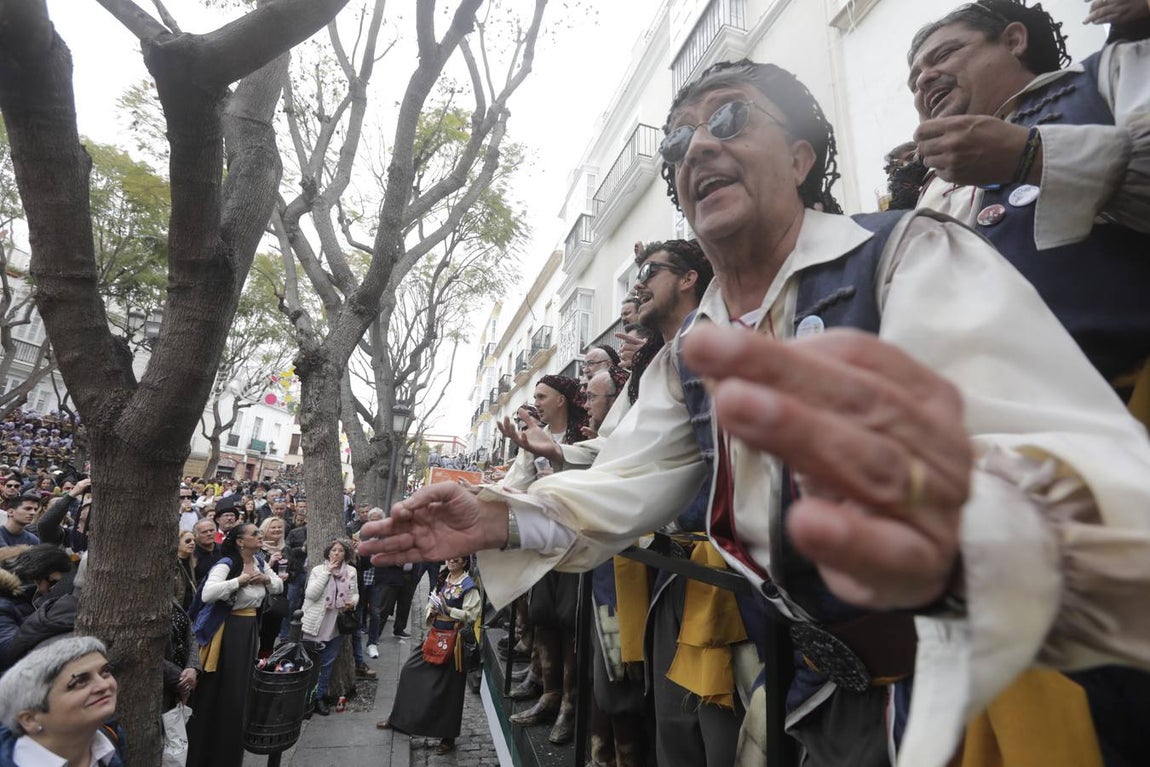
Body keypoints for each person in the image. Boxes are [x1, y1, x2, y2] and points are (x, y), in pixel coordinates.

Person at [361, 59, 1150, 767]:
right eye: (676, 145)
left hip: (991, 697)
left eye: (731, 119)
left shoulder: (908, 256)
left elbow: (1085, 477)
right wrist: (497, 517)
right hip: (815, 694)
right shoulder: (690, 355)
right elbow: (620, 484)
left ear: (802, 159)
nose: (696, 149)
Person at [186, 523, 281, 767]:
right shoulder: (226, 563)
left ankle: (229, 754)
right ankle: (205, 753)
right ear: (240, 541)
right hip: (227, 633)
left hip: (249, 630)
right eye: (254, 534)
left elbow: (279, 585)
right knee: (221, 692)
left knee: (239, 695)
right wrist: (238, 581)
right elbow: (208, 594)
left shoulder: (260, 561)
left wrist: (265, 579)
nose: (260, 537)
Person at [376, 556, 481, 756]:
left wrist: (450, 611)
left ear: (464, 562)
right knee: (409, 671)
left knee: (449, 690)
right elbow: (430, 601)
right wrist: (431, 611)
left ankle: (447, 737)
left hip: (454, 642)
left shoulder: (469, 586)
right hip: (434, 637)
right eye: (449, 558)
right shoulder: (443, 578)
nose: (451, 561)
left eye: (456, 559)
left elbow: (471, 614)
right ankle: (399, 719)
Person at [0, 636, 124, 766]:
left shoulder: (110, 736)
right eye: (79, 682)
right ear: (30, 719)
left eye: (105, 672)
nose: (104, 685)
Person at [300, 539, 358, 716]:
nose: (336, 554)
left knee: (327, 664)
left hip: (336, 624)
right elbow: (311, 594)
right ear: (328, 553)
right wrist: (327, 573)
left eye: (340, 551)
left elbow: (355, 594)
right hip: (315, 622)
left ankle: (319, 698)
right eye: (333, 550)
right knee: (308, 663)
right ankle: (304, 700)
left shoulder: (351, 571)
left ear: (346, 554)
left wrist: (352, 603)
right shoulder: (318, 570)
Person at [0, 545, 72, 672]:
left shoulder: (23, 599)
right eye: (52, 582)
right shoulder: (4, 603)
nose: (50, 589)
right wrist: (54, 619)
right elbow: (9, 653)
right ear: (38, 573)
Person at [174, 529, 197, 611]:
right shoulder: (172, 563)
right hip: (177, 609)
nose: (192, 543)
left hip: (189, 609)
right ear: (177, 542)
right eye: (188, 541)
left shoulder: (191, 562)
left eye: (194, 541)